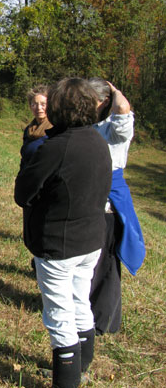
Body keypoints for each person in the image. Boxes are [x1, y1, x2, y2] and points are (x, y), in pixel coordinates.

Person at [15, 78, 112, 388]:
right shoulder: (97, 141)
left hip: (59, 244)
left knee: (59, 315)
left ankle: (66, 381)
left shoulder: (55, 147)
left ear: (58, 108)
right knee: (80, 302)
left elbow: (23, 192)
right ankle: (82, 368)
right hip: (91, 240)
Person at [88, 78, 145, 335]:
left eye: (91, 98)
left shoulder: (115, 129)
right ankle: (85, 311)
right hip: (89, 201)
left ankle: (104, 321)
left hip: (108, 205)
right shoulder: (91, 125)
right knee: (89, 261)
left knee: (106, 263)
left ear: (103, 102)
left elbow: (123, 110)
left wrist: (115, 92)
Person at [20, 85, 52, 170]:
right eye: (34, 104)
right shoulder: (28, 130)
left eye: (43, 104)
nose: (39, 108)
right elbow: (24, 160)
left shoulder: (55, 129)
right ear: (30, 106)